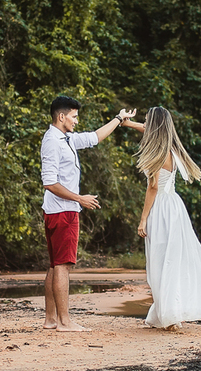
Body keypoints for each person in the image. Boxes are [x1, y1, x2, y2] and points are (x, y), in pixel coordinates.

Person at [132, 107, 201, 330]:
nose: (144, 124)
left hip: (160, 209)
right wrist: (126, 123)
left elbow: (153, 188)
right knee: (172, 259)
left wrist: (143, 219)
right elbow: (147, 130)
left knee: (160, 261)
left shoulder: (157, 154)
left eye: (148, 120)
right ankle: (165, 313)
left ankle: (170, 315)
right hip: (175, 207)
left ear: (154, 126)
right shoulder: (171, 149)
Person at [41, 95, 136, 331]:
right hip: (63, 211)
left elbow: (95, 137)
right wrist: (79, 198)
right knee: (63, 265)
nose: (76, 120)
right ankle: (65, 322)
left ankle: (51, 320)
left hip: (58, 210)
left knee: (55, 265)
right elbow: (49, 182)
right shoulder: (53, 141)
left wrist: (118, 118)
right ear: (61, 117)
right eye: (73, 116)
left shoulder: (67, 139)